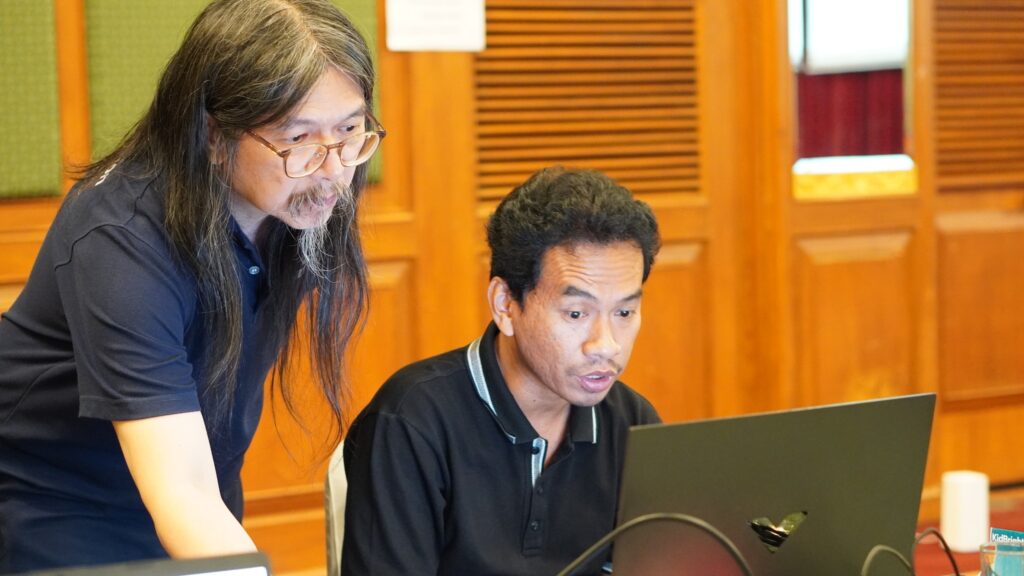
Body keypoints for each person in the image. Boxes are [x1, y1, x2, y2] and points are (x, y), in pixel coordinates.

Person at [0, 0, 382, 571]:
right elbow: (181, 489)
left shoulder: (299, 196)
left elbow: (196, 484)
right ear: (211, 134)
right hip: (56, 497)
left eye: (351, 130)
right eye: (299, 138)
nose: (334, 170)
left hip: (195, 483)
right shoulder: (122, 239)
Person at [342, 166, 663, 575]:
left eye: (624, 312)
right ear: (505, 304)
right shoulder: (412, 422)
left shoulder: (634, 424)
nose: (606, 345)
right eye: (576, 313)